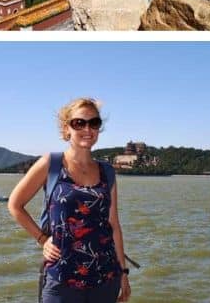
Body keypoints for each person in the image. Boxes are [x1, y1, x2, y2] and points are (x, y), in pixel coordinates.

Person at [8, 98, 132, 302]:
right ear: (67, 129)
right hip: (62, 278)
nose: (87, 128)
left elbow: (114, 226)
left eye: (94, 123)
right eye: (79, 123)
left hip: (105, 278)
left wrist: (123, 274)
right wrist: (42, 239)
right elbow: (15, 204)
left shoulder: (107, 172)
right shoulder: (52, 164)